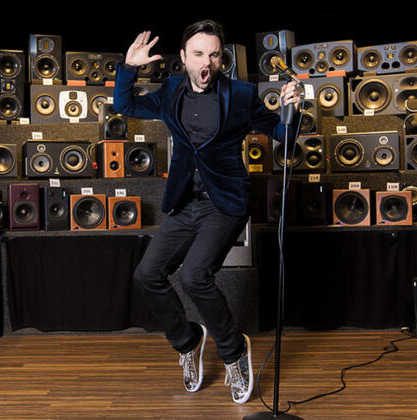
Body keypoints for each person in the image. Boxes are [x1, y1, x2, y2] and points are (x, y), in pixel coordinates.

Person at [113, 19, 302, 404]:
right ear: (184, 57)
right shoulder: (170, 91)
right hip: (184, 202)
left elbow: (284, 134)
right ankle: (188, 342)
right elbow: (124, 104)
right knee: (147, 274)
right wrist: (129, 68)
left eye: (214, 55)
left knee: (196, 275)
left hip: (225, 203)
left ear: (221, 59)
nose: (206, 62)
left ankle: (234, 353)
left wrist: (292, 110)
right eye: (198, 54)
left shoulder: (242, 95)